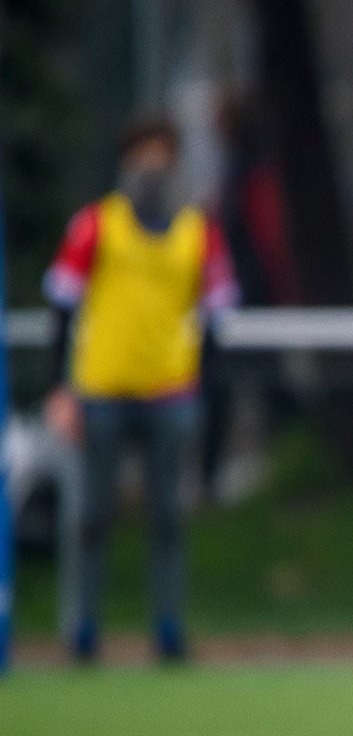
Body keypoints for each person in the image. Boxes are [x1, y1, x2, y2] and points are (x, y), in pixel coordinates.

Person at [42, 117, 238, 663]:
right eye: (141, 155)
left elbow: (217, 318)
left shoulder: (200, 233)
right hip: (100, 392)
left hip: (171, 394)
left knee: (168, 519)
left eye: (161, 155)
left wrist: (204, 389)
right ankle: (82, 630)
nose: (152, 167)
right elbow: (62, 306)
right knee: (90, 516)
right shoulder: (95, 226)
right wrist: (60, 388)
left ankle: (169, 628)